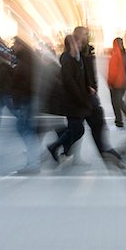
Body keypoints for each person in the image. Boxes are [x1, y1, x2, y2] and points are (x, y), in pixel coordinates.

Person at [72, 26, 125, 169]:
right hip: (80, 97)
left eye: (87, 34)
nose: (86, 37)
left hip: (89, 96)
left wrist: (94, 87)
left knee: (94, 125)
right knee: (75, 129)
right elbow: (73, 76)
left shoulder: (88, 51)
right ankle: (59, 148)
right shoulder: (73, 54)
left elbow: (92, 73)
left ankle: (106, 152)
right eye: (84, 34)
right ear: (77, 36)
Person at [47, 35, 92, 164]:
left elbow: (80, 78)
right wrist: (81, 97)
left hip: (77, 101)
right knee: (77, 129)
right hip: (72, 102)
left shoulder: (75, 59)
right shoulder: (67, 59)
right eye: (76, 43)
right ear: (70, 45)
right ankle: (55, 147)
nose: (79, 45)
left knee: (76, 130)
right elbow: (70, 82)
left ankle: (62, 150)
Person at [11, 36, 41, 174]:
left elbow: (24, 82)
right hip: (27, 99)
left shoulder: (26, 62)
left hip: (26, 100)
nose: (13, 46)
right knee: (26, 128)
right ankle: (33, 161)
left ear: (21, 45)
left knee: (25, 129)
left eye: (15, 44)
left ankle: (33, 163)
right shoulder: (28, 60)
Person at [107, 37, 126, 130]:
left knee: (116, 103)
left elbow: (112, 72)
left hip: (116, 84)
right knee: (119, 102)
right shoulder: (124, 54)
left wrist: (110, 82)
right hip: (123, 83)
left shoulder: (115, 55)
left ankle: (120, 122)